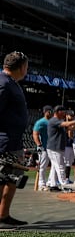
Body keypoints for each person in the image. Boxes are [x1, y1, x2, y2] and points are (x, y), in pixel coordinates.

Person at [0, 51, 30, 227]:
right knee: (2, 178)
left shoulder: (12, 83)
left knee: (12, 180)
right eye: (26, 66)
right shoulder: (4, 83)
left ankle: (3, 215)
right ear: (21, 67)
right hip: (5, 141)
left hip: (14, 141)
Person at [46, 105, 75, 189]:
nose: (64, 113)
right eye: (63, 111)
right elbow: (67, 124)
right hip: (55, 147)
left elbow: (70, 128)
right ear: (58, 112)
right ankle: (64, 185)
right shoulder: (54, 120)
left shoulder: (58, 120)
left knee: (55, 167)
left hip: (57, 147)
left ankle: (52, 184)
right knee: (60, 166)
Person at [32, 105, 52, 190]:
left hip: (52, 147)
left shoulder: (52, 121)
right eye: (49, 111)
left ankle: (50, 182)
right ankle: (41, 184)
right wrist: (39, 145)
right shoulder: (40, 122)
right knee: (43, 166)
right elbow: (35, 134)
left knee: (54, 165)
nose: (50, 113)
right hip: (44, 147)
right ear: (46, 112)